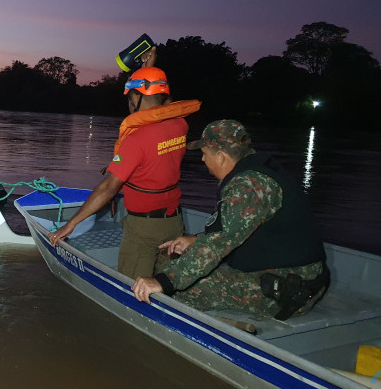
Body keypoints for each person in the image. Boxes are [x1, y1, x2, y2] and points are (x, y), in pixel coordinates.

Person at [131, 120, 328, 320]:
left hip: (288, 288)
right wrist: (197, 239)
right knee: (181, 265)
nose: (202, 159)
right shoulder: (258, 168)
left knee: (179, 289)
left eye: (205, 153)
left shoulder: (247, 186)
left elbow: (217, 245)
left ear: (221, 157)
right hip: (293, 272)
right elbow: (234, 227)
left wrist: (163, 282)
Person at [49, 49, 201, 279]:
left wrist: (71, 224)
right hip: (173, 222)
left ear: (136, 98)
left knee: (132, 285)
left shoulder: (136, 140)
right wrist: (149, 69)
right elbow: (164, 105)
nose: (129, 103)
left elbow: (107, 188)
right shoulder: (180, 125)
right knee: (165, 280)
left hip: (144, 228)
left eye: (130, 97)